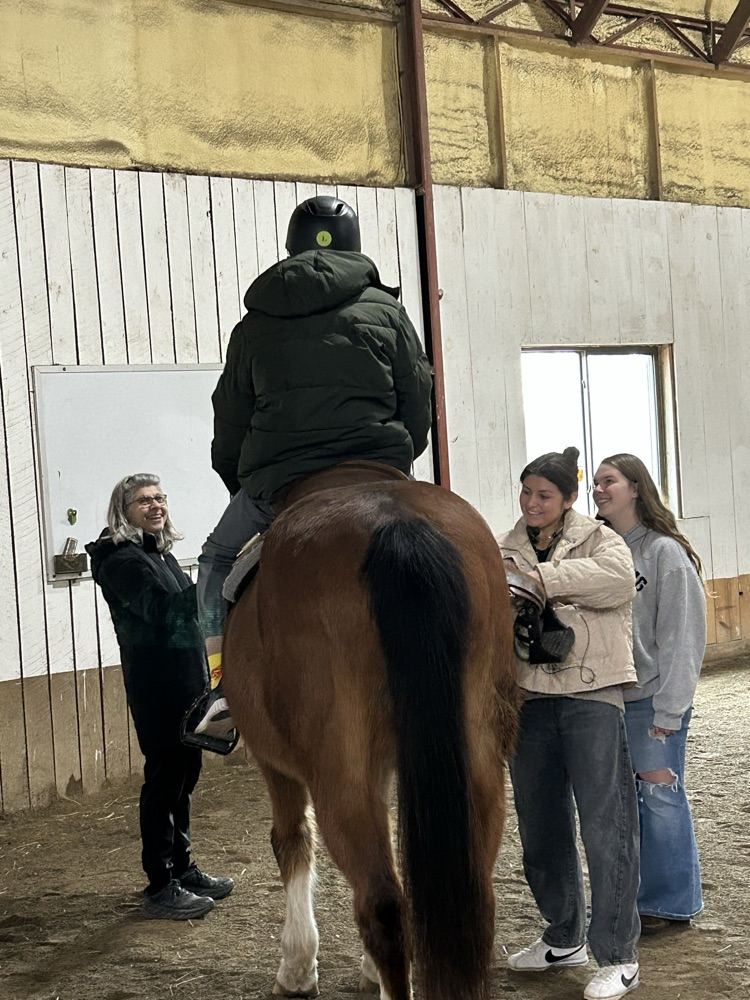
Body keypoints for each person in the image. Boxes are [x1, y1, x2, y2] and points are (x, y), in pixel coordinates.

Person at [189, 195, 433, 745]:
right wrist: (401, 459)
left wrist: (243, 483)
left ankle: (221, 688)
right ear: (354, 245)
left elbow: (229, 417)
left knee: (215, 559)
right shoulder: (386, 310)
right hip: (377, 468)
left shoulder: (254, 324)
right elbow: (417, 396)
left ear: (291, 247)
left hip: (280, 479)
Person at [496, 446, 641, 1000]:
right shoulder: (501, 546)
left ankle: (618, 956)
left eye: (544, 495)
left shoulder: (603, 541)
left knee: (607, 829)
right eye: (526, 492)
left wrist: (537, 578)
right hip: (528, 700)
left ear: (569, 500)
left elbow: (616, 583)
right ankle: (563, 938)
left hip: (592, 697)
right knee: (540, 828)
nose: (532, 504)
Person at [86, 475, 235, 919]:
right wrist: (214, 581)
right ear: (123, 509)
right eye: (143, 500)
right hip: (156, 685)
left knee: (186, 775)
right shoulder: (118, 559)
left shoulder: (159, 553)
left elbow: (187, 616)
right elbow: (160, 611)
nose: (155, 506)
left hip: (186, 679)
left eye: (159, 498)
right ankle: (159, 884)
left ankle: (182, 868)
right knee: (165, 779)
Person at [593, 453, 706, 934]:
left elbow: (684, 636)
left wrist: (671, 710)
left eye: (609, 481)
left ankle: (672, 904)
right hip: (607, 699)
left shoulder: (663, 553)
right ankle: (636, 897)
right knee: (622, 807)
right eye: (595, 483)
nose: (599, 489)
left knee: (660, 799)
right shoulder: (599, 552)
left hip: (651, 699)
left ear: (636, 488)